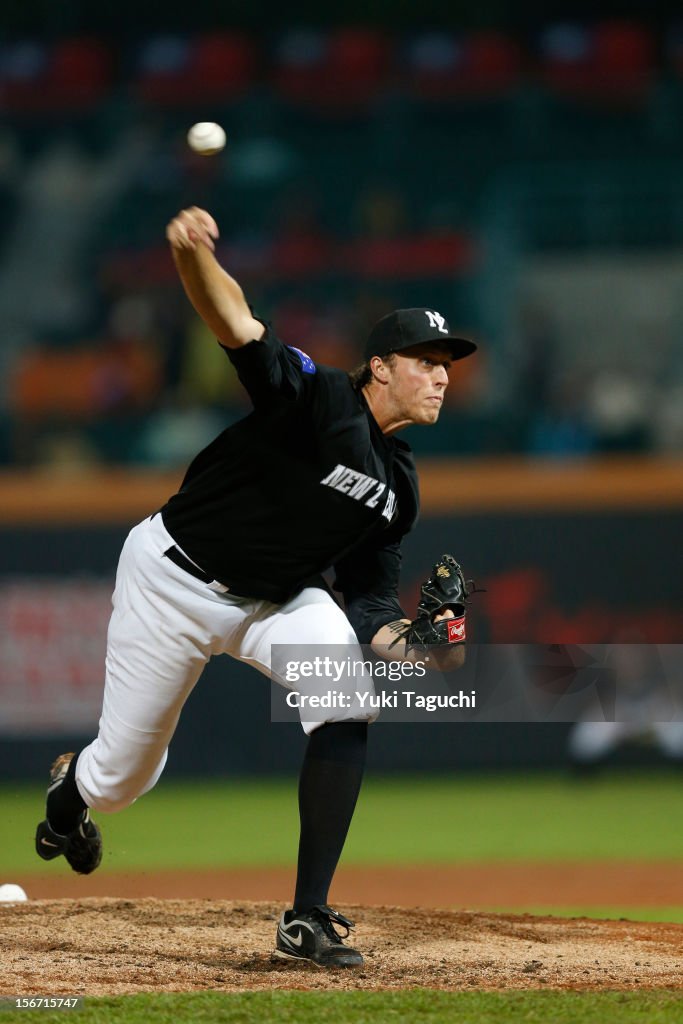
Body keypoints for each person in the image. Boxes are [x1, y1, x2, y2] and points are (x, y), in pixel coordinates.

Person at [34, 206, 477, 968]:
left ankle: (306, 918)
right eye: (423, 360)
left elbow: (370, 606)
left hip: (274, 600)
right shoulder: (319, 399)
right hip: (171, 579)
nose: (440, 375)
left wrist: (428, 647)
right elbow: (236, 323)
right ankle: (70, 801)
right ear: (378, 367)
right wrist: (192, 257)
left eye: (447, 364)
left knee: (346, 698)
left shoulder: (398, 487)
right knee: (123, 778)